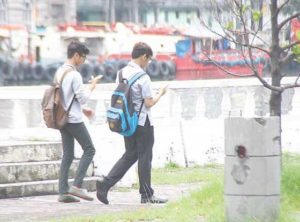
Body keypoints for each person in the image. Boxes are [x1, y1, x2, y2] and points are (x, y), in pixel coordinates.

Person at [96, 42, 168, 204]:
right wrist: (161, 94)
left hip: (127, 122)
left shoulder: (121, 73)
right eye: (148, 60)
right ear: (143, 57)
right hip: (143, 122)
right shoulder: (144, 77)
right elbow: (148, 103)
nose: (148, 63)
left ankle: (105, 184)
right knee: (144, 157)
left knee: (130, 155)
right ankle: (147, 195)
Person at [56, 41, 102, 203]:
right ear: (76, 55)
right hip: (73, 120)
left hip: (62, 119)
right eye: (83, 57)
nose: (83, 60)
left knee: (68, 155)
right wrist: (92, 87)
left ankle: (63, 192)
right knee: (89, 149)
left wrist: (84, 110)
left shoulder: (60, 71)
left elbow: (65, 99)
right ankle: (76, 185)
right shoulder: (74, 75)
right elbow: (81, 98)